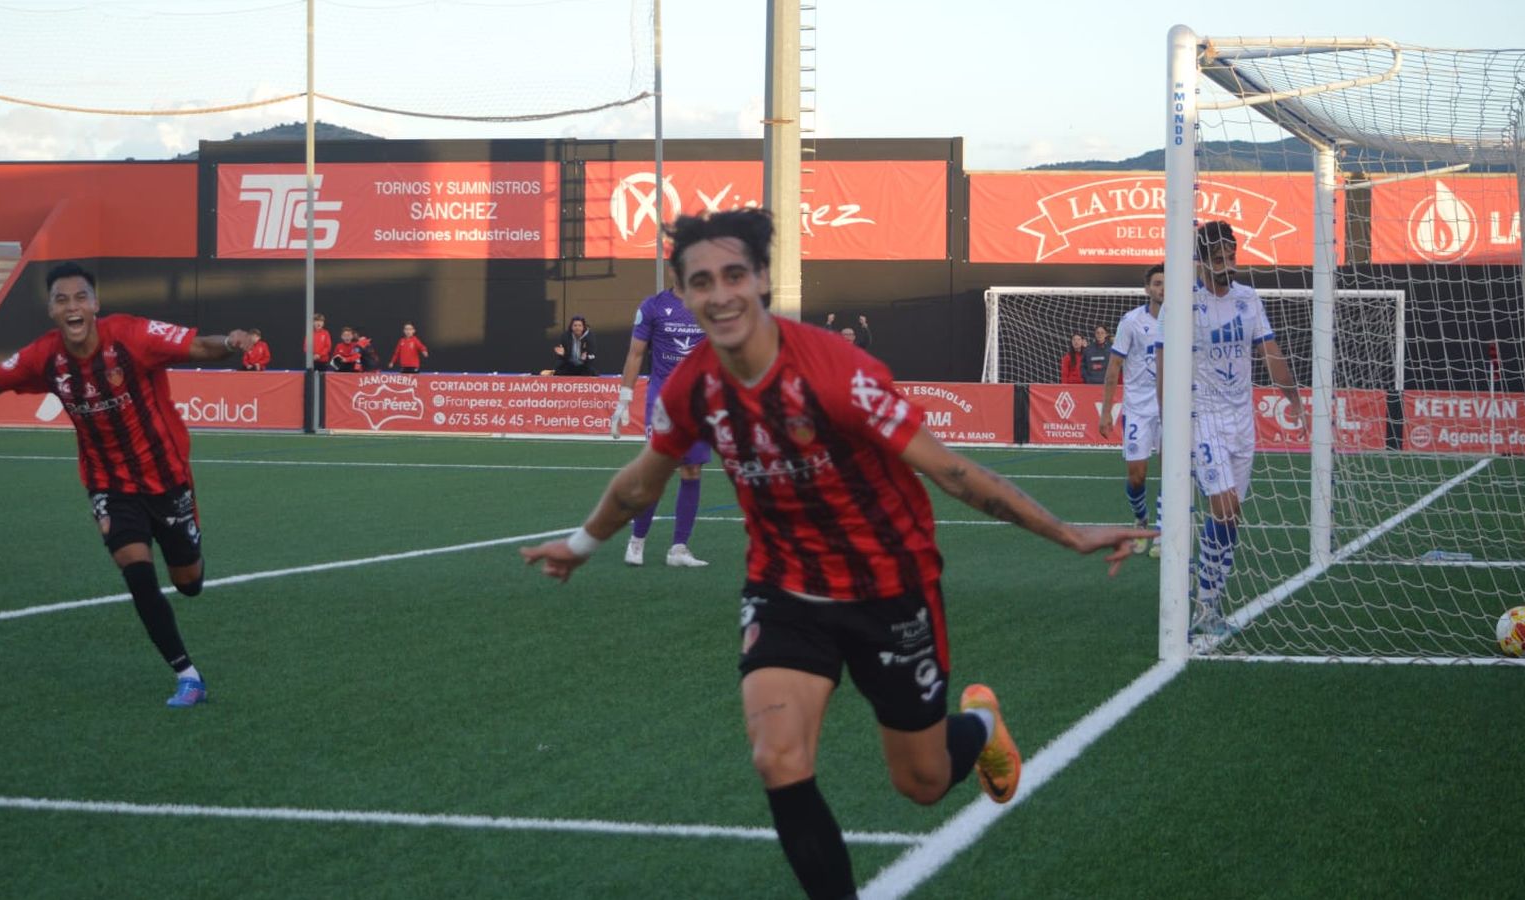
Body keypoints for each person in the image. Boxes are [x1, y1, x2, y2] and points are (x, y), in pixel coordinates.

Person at [523, 209, 1153, 900]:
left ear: (763, 278)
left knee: (923, 783)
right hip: (785, 589)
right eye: (701, 281)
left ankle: (979, 724)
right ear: (683, 292)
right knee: (777, 757)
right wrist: (583, 544)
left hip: (891, 586)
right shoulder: (693, 386)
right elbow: (643, 478)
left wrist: (1067, 533)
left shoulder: (834, 372)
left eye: (735, 274)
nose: (721, 293)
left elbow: (951, 472)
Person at [0, 261, 257, 708]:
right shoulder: (44, 357)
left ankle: (189, 557)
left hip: (166, 477)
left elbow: (199, 346)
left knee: (189, 582)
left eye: (81, 297)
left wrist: (231, 344)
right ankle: (187, 675)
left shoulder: (131, 335)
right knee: (136, 570)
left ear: (95, 304)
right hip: (108, 483)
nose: (72, 306)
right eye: (62, 300)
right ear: (50, 310)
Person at [1156, 220, 1304, 636]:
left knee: (1233, 517)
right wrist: (1169, 424)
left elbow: (1269, 349)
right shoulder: (1181, 303)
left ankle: (1211, 599)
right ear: (1201, 260)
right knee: (1224, 507)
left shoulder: (1248, 299)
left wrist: (1291, 396)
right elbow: (1164, 363)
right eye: (1218, 258)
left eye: (1231, 256)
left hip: (1243, 420)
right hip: (1201, 418)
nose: (1227, 265)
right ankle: (1203, 607)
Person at [609, 286, 709, 568]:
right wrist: (624, 399)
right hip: (663, 400)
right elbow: (635, 354)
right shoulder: (653, 306)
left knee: (691, 470)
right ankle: (637, 541)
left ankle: (678, 549)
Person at [1099, 264, 1165, 556]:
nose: (1162, 288)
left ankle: (1162, 531)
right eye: (1157, 283)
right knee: (1136, 475)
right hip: (1138, 408)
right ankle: (1141, 521)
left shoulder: (1184, 320)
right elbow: (1114, 366)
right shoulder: (1132, 321)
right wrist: (1106, 411)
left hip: (1171, 407)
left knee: (1173, 470)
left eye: (1166, 283)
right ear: (1147, 289)